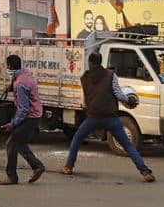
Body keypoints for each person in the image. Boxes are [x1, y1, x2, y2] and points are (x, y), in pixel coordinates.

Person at [61, 53, 155, 182]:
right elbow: (118, 94)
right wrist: (128, 100)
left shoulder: (84, 78)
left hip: (93, 117)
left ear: (89, 62)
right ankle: (145, 172)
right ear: (101, 62)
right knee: (127, 145)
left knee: (76, 140)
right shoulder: (111, 75)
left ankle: (68, 167)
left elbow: (86, 97)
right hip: (111, 117)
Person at [0, 54, 45, 185]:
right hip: (35, 114)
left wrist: (12, 124)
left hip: (29, 117)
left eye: (7, 66)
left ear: (10, 66)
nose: (6, 68)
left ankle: (12, 176)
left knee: (11, 144)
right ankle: (37, 166)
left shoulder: (20, 84)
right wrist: (10, 87)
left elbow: (24, 109)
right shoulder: (24, 74)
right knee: (20, 144)